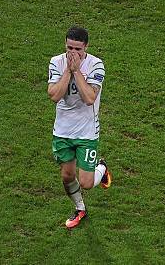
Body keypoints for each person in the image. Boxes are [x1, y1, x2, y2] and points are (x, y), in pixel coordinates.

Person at [47, 26, 112, 229]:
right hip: (63, 130)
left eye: (77, 49)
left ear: (86, 47)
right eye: (69, 48)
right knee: (67, 176)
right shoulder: (57, 62)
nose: (73, 53)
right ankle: (80, 208)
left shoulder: (96, 65)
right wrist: (68, 70)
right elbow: (54, 95)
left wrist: (76, 72)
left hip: (86, 131)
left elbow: (90, 98)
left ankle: (101, 168)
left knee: (85, 182)